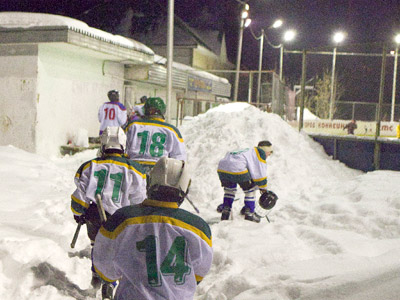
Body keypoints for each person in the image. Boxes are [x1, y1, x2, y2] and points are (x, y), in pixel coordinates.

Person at [92, 157, 213, 300]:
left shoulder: (123, 219)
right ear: (184, 190)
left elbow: (103, 266)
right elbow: (198, 273)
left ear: (150, 182)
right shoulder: (199, 228)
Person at [70, 126, 147, 298]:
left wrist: (78, 213)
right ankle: (112, 281)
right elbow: (139, 201)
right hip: (122, 219)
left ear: (103, 145)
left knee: (98, 246)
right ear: (123, 145)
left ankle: (98, 276)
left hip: (95, 217)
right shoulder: (135, 169)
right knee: (119, 250)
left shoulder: (89, 166)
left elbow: (79, 199)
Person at [124, 97, 187, 173]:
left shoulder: (133, 125)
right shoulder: (172, 130)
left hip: (134, 169)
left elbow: (123, 148)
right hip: (160, 172)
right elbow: (179, 159)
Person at [216, 140, 273, 223]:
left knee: (229, 190)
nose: (270, 154)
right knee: (250, 190)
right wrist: (263, 188)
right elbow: (260, 174)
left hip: (222, 169)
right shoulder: (260, 153)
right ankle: (249, 213)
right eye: (270, 152)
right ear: (266, 151)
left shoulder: (248, 151)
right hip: (237, 169)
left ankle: (225, 211)